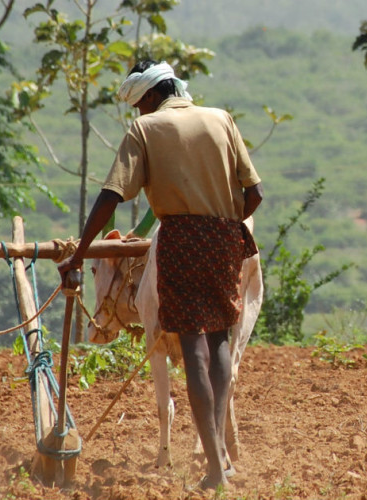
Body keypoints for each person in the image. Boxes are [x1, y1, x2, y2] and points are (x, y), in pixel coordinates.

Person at [57, 59, 263, 490]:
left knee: (193, 352)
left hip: (180, 242)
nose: (138, 114)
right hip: (228, 237)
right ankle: (220, 459)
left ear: (149, 96)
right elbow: (255, 193)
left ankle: (213, 471)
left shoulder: (145, 130)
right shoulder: (221, 119)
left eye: (138, 105)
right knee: (220, 343)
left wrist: (80, 251)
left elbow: (112, 195)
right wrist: (223, 227)